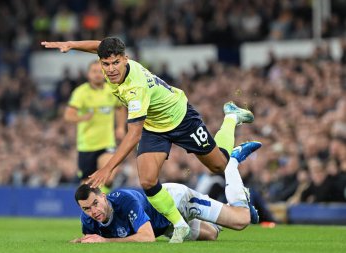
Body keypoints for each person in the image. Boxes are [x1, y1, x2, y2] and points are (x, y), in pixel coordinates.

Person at [41, 37, 254, 243]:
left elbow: (133, 134)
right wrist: (71, 45)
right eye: (106, 64)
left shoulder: (136, 88)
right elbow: (98, 45)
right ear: (101, 62)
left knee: (220, 165)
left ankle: (231, 117)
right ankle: (179, 225)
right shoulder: (109, 66)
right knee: (147, 181)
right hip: (154, 126)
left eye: (116, 62)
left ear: (125, 59)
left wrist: (108, 168)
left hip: (180, 118)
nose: (111, 68)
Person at [71, 142, 261, 243]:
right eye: (86, 209)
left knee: (241, 220)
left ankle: (234, 160)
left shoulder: (125, 201)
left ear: (103, 196)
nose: (93, 211)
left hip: (176, 201)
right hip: (166, 226)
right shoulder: (88, 218)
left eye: (95, 203)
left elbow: (147, 238)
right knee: (211, 235)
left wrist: (104, 242)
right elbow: (90, 240)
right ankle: (228, 208)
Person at [64, 60, 126, 191]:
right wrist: (82, 117)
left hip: (107, 143)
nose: (97, 74)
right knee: (87, 186)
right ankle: (92, 207)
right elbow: (68, 115)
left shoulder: (111, 89)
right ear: (88, 74)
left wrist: (120, 127)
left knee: (108, 176)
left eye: (100, 71)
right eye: (94, 71)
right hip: (87, 145)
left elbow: (120, 108)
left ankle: (103, 203)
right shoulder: (81, 92)